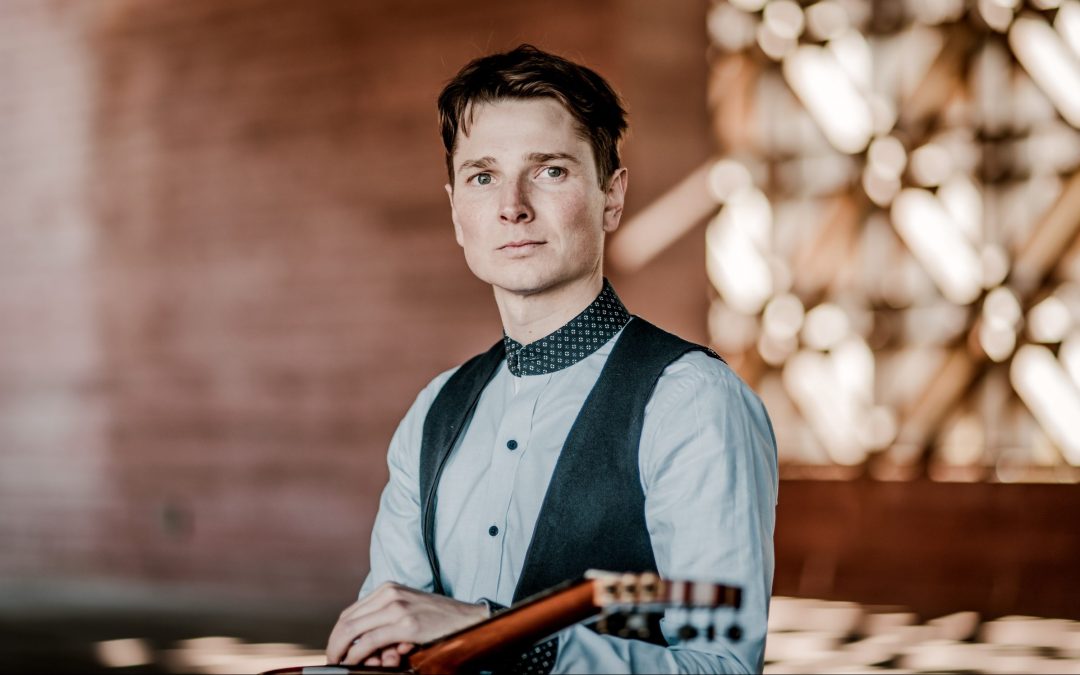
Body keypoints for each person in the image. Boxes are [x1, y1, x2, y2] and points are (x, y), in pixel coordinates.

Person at [325, 44, 778, 674]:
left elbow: (721, 663)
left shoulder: (692, 400)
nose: (512, 205)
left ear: (612, 196)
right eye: (483, 176)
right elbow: (391, 640)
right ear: (457, 211)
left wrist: (497, 635)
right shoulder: (435, 410)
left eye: (550, 171)